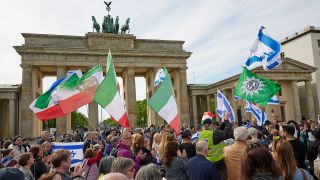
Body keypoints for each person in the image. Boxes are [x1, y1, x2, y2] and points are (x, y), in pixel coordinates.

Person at [198, 112, 233, 179]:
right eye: (212, 125)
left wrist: (223, 123)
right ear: (210, 125)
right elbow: (229, 133)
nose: (213, 126)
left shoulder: (201, 135)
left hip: (208, 161)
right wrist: (226, 120)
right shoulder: (214, 134)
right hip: (219, 162)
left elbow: (217, 132)